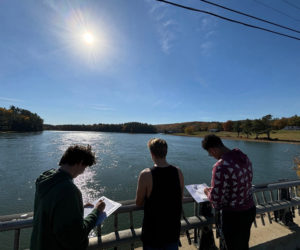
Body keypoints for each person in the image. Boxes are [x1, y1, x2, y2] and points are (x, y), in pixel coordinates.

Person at [30, 145, 105, 250]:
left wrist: (77, 208)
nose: (83, 171)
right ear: (80, 162)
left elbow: (54, 211)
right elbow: (75, 237)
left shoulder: (46, 180)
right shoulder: (69, 190)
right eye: (85, 166)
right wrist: (96, 211)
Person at [202, 134, 256, 250]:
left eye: (210, 153)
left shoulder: (221, 166)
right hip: (249, 209)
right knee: (243, 245)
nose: (212, 156)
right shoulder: (243, 157)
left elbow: (216, 198)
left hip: (233, 216)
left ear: (213, 149)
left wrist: (207, 192)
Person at [135, 138, 184, 250]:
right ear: (166, 152)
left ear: (151, 153)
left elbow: (138, 202)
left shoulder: (146, 174)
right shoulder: (178, 172)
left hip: (152, 233)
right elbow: (180, 198)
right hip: (172, 230)